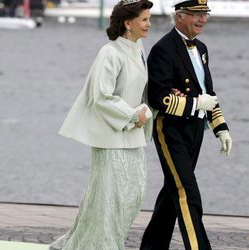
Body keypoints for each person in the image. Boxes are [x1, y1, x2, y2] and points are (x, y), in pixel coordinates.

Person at [48, 0, 153, 250]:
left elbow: (142, 91)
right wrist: (131, 116)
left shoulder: (139, 48)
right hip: (111, 136)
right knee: (108, 200)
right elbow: (101, 96)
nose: (150, 24)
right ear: (128, 23)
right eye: (145, 19)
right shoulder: (110, 52)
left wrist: (147, 111)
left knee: (133, 196)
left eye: (149, 18)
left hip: (134, 135)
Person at [140, 0, 232, 249]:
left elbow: (208, 92)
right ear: (179, 16)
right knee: (187, 192)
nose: (202, 20)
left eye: (205, 14)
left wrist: (220, 127)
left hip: (195, 130)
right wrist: (195, 103)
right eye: (196, 15)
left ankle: (151, 247)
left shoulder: (201, 48)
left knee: (172, 192)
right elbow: (158, 97)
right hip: (170, 130)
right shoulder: (163, 49)